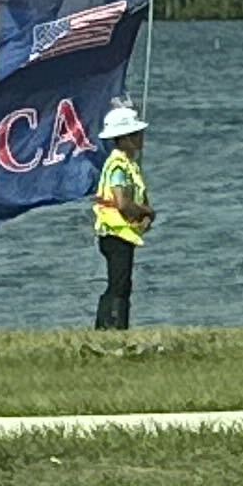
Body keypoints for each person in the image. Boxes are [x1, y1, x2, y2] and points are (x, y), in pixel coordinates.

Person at [90, 101, 152, 330]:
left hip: (120, 233)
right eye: (136, 134)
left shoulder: (126, 164)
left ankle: (109, 326)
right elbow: (122, 203)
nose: (141, 137)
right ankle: (113, 326)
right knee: (119, 284)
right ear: (125, 138)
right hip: (115, 233)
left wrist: (143, 216)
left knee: (121, 282)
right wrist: (146, 212)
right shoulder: (118, 166)